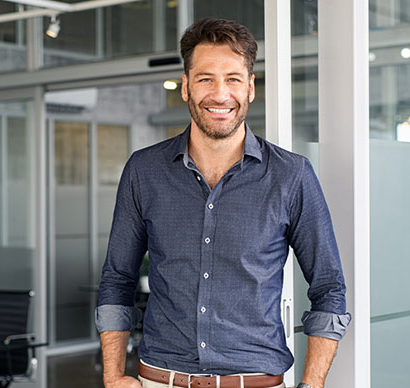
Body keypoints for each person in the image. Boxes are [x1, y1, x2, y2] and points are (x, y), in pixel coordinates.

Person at [96, 18, 351, 388]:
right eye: (205, 78)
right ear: (185, 86)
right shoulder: (144, 170)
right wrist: (112, 376)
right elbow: (117, 279)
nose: (219, 94)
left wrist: (311, 385)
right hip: (160, 379)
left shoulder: (291, 175)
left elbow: (329, 288)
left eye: (233, 79)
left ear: (250, 88)